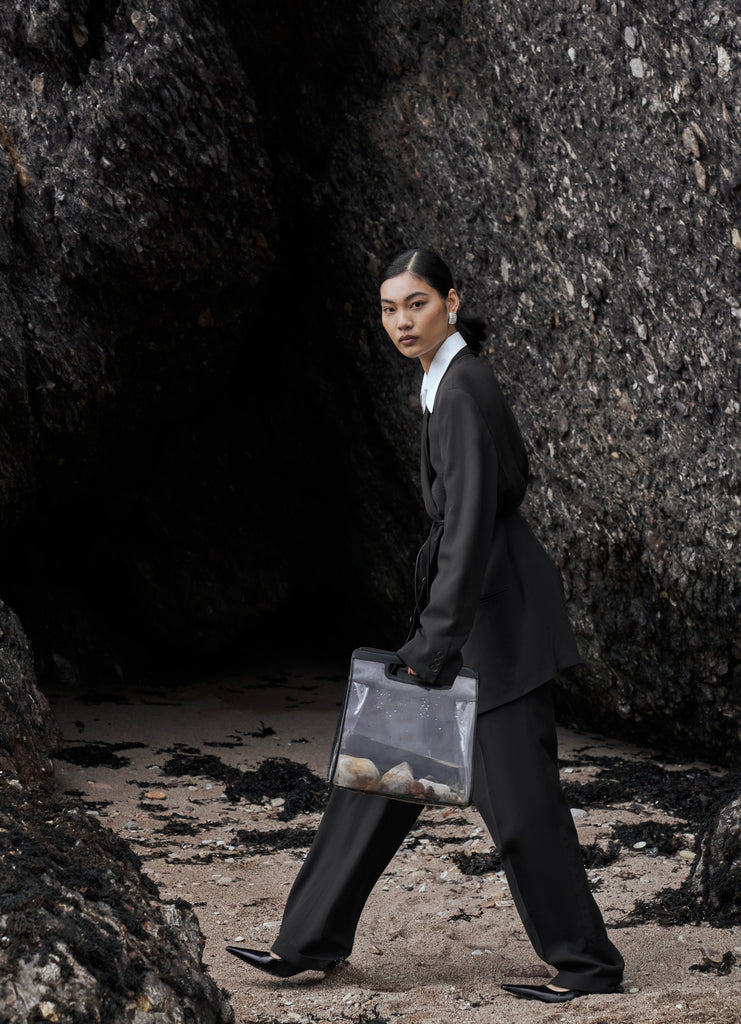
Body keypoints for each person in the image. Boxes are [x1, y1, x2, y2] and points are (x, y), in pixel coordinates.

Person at [226, 249, 624, 1004]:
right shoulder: (448, 380)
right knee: (376, 772)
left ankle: (589, 967)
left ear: (451, 301)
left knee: (523, 812)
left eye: (417, 304)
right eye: (389, 308)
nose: (402, 321)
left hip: (496, 629)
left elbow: (470, 526)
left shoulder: (463, 388)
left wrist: (435, 645)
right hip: (471, 618)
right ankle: (305, 942)